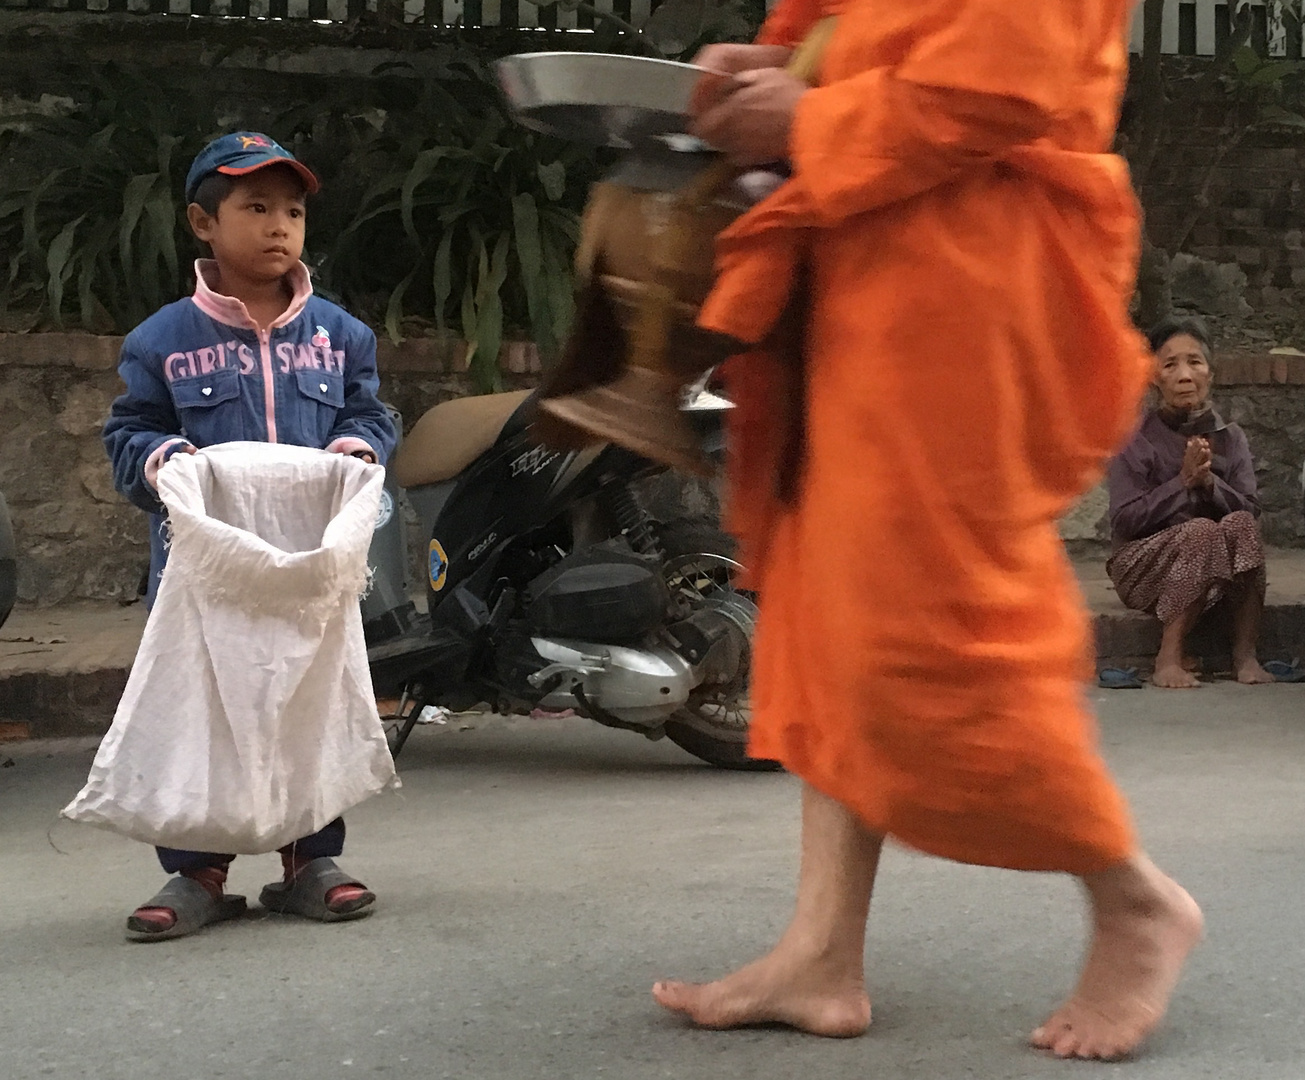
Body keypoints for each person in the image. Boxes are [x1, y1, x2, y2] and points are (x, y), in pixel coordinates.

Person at [648, 0, 1204, 1062]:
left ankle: (1130, 894)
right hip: (864, 250)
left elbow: (1001, 80)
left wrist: (808, 120)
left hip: (966, 273)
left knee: (924, 623)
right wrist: (778, 59)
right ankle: (820, 950)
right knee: (822, 599)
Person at [103, 132, 397, 941]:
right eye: (255, 207)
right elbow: (130, 434)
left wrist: (358, 448)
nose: (278, 226)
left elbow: (370, 416)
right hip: (208, 576)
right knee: (206, 710)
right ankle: (197, 870)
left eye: (293, 211)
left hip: (307, 571)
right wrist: (164, 461)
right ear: (203, 223)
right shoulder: (161, 339)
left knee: (309, 696)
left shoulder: (340, 336)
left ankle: (311, 861)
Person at [1107, 317, 1272, 689]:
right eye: (1170, 365)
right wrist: (1181, 484)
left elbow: (1251, 508)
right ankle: (1168, 658)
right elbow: (1125, 520)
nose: (1185, 375)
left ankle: (1245, 656)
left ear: (1210, 373)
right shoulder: (1134, 439)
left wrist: (1209, 483)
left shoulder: (1230, 438)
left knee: (1242, 525)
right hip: (1143, 569)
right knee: (1200, 531)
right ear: (1155, 378)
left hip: (1216, 573)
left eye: (1194, 362)